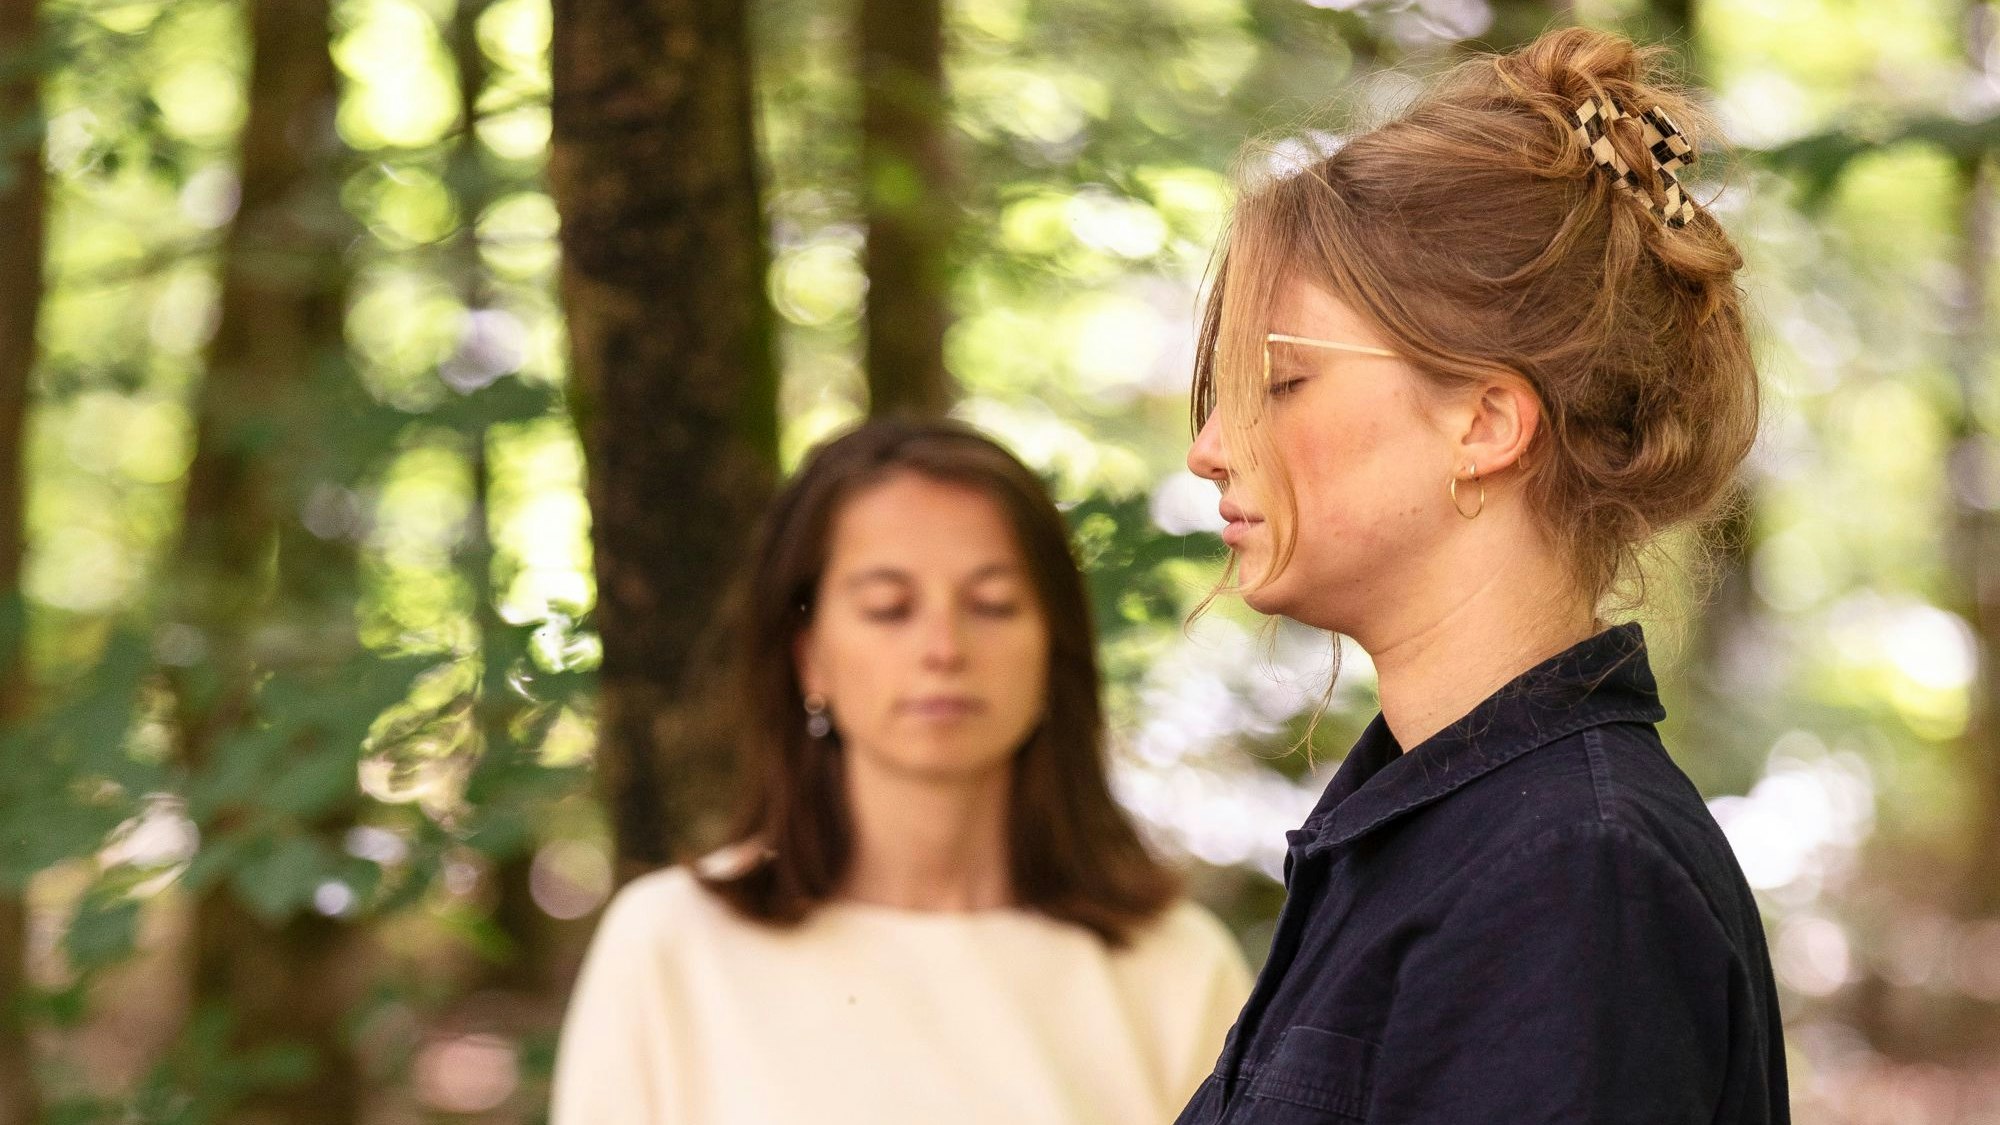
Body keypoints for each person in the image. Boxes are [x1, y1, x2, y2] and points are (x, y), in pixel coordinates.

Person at [1175, 26, 1788, 1125]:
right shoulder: (1440, 830)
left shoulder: (1571, 875)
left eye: (1281, 380)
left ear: (1485, 423)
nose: (1210, 446)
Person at [551, 418, 1251, 1125]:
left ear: (1053, 646)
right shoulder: (671, 946)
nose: (944, 648)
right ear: (808, 657)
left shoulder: (1178, 966)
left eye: (992, 604)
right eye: (889, 608)